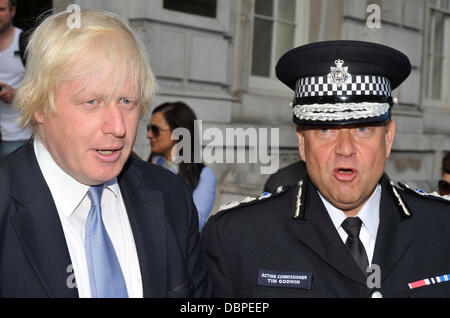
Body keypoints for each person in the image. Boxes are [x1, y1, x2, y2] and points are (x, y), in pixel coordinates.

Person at [201, 40, 450, 298]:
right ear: (301, 143)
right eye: (325, 129)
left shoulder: (442, 228)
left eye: (363, 129)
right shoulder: (236, 239)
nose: (345, 148)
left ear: (388, 139)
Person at [0, 9, 211, 298]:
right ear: (39, 105)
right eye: (92, 101)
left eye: (127, 101)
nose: (118, 127)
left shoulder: (171, 197)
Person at [147, 101, 216, 230]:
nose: (149, 135)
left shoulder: (203, 175)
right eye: (149, 128)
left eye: (156, 130)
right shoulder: (141, 169)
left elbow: (195, 223)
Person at [0, 0, 31, 158]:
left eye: (1, 9)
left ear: (12, 11)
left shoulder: (26, 42)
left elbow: (42, 86)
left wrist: (15, 94)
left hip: (18, 135)